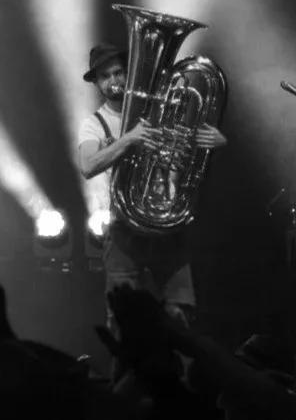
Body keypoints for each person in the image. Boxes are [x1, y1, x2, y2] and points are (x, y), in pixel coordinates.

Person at [73, 42, 227, 325]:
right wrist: (130, 138)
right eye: (105, 77)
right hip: (124, 229)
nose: (114, 81)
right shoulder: (93, 124)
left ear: (128, 74)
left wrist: (213, 142)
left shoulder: (158, 110)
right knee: (123, 318)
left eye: (118, 73)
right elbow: (88, 166)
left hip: (166, 226)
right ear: (96, 83)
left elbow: (184, 149)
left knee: (182, 314)